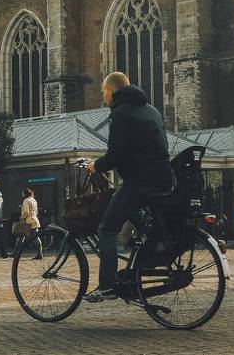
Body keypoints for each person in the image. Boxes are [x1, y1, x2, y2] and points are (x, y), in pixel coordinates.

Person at [88, 71, 173, 301]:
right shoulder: (152, 110)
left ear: (110, 90)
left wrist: (95, 166)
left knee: (106, 230)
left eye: (103, 93)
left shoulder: (120, 113)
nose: (103, 98)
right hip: (164, 179)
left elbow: (116, 154)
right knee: (137, 217)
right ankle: (147, 243)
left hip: (140, 182)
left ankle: (106, 286)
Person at [17, 188, 42, 259]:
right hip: (35, 220)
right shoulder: (34, 200)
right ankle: (39, 254)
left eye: (22, 193)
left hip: (28, 221)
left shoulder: (26, 200)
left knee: (20, 237)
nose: (22, 195)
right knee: (36, 237)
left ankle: (16, 253)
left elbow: (26, 212)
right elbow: (36, 211)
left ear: (25, 194)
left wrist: (22, 218)